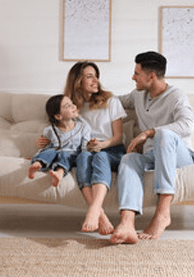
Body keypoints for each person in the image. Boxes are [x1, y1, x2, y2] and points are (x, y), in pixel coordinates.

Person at [109, 51, 194, 244]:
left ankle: (163, 213)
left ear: (151, 76)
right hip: (152, 157)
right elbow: (114, 101)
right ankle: (127, 223)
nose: (133, 77)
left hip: (180, 157)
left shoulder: (176, 96)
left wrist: (149, 132)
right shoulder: (138, 95)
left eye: (136, 73)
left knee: (164, 134)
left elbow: (187, 125)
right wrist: (89, 94)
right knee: (129, 158)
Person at [37, 62, 127, 235]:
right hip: (85, 151)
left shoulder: (111, 101)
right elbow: (58, 131)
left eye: (96, 75)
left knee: (99, 156)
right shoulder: (71, 108)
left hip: (112, 150)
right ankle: (101, 216)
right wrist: (43, 144)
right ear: (77, 82)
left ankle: (94, 209)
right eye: (89, 76)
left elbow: (118, 137)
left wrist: (101, 145)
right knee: (84, 157)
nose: (96, 80)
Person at [28, 94, 91, 187]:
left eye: (72, 103)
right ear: (58, 116)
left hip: (71, 157)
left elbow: (85, 148)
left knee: (64, 155)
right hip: (54, 155)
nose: (74, 106)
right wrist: (37, 154)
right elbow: (45, 148)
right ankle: (36, 165)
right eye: (68, 106)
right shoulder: (49, 130)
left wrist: (89, 150)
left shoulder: (84, 127)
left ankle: (59, 173)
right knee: (50, 151)